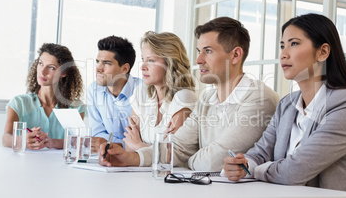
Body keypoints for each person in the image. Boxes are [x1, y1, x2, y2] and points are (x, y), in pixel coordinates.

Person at [223, 13, 346, 194]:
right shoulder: (287, 104)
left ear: (322, 52)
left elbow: (294, 172)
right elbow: (260, 152)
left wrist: (255, 170)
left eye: (294, 44)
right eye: (282, 46)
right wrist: (243, 164)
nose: (283, 54)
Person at [98, 17, 280, 171]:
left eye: (208, 51)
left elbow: (213, 162)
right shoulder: (207, 99)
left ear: (235, 55)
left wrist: (188, 161)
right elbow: (177, 148)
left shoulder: (259, 98)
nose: (199, 60)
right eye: (199, 51)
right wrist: (129, 158)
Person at [123, 31, 197, 151]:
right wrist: (153, 148)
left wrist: (139, 145)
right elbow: (129, 147)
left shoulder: (184, 98)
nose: (142, 67)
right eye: (143, 59)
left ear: (170, 63)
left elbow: (172, 154)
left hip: (173, 170)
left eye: (151, 60)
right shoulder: (140, 94)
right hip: (140, 169)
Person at [2, 43, 85, 150]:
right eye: (40, 63)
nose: (42, 71)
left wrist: (51, 142)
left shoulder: (76, 107)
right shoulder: (18, 103)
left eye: (51, 67)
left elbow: (77, 141)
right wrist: (23, 140)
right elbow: (5, 138)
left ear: (64, 73)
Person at [87, 35, 142, 153]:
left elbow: (145, 140)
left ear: (125, 69)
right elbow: (97, 133)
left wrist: (113, 144)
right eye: (98, 62)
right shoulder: (93, 90)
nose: (98, 68)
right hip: (108, 156)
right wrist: (115, 144)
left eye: (106, 63)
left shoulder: (144, 90)